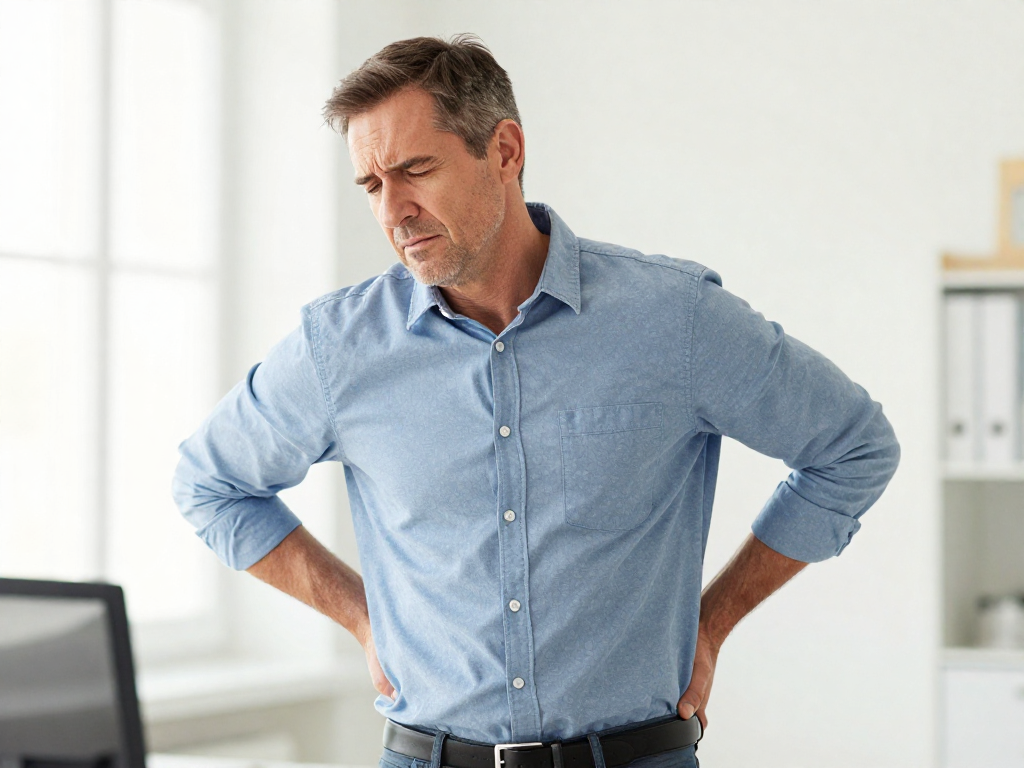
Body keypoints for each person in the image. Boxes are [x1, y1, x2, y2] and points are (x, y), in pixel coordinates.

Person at [172, 34, 900, 768]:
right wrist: (363, 617)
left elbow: (853, 447)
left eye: (415, 170)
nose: (394, 209)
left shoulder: (673, 321)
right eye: (371, 186)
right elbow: (210, 483)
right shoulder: (339, 348)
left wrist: (711, 623)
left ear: (506, 151)